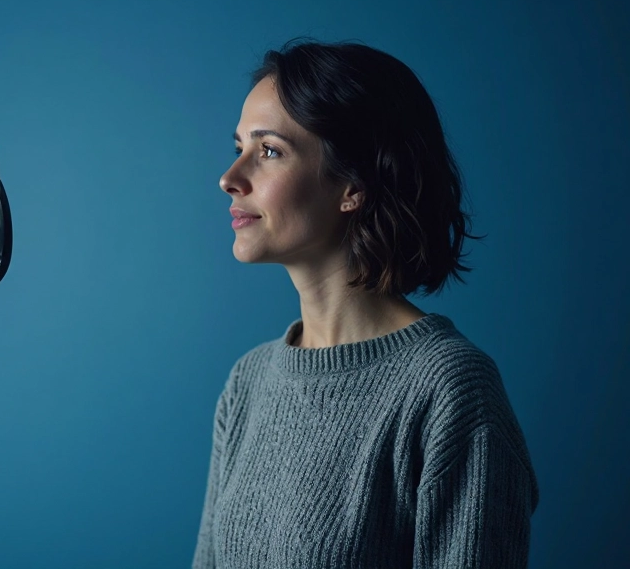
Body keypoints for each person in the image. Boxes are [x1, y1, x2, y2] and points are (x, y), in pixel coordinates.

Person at [192, 40, 539, 569]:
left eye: (268, 151)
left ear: (353, 185)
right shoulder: (250, 383)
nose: (230, 178)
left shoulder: (450, 391)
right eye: (238, 146)